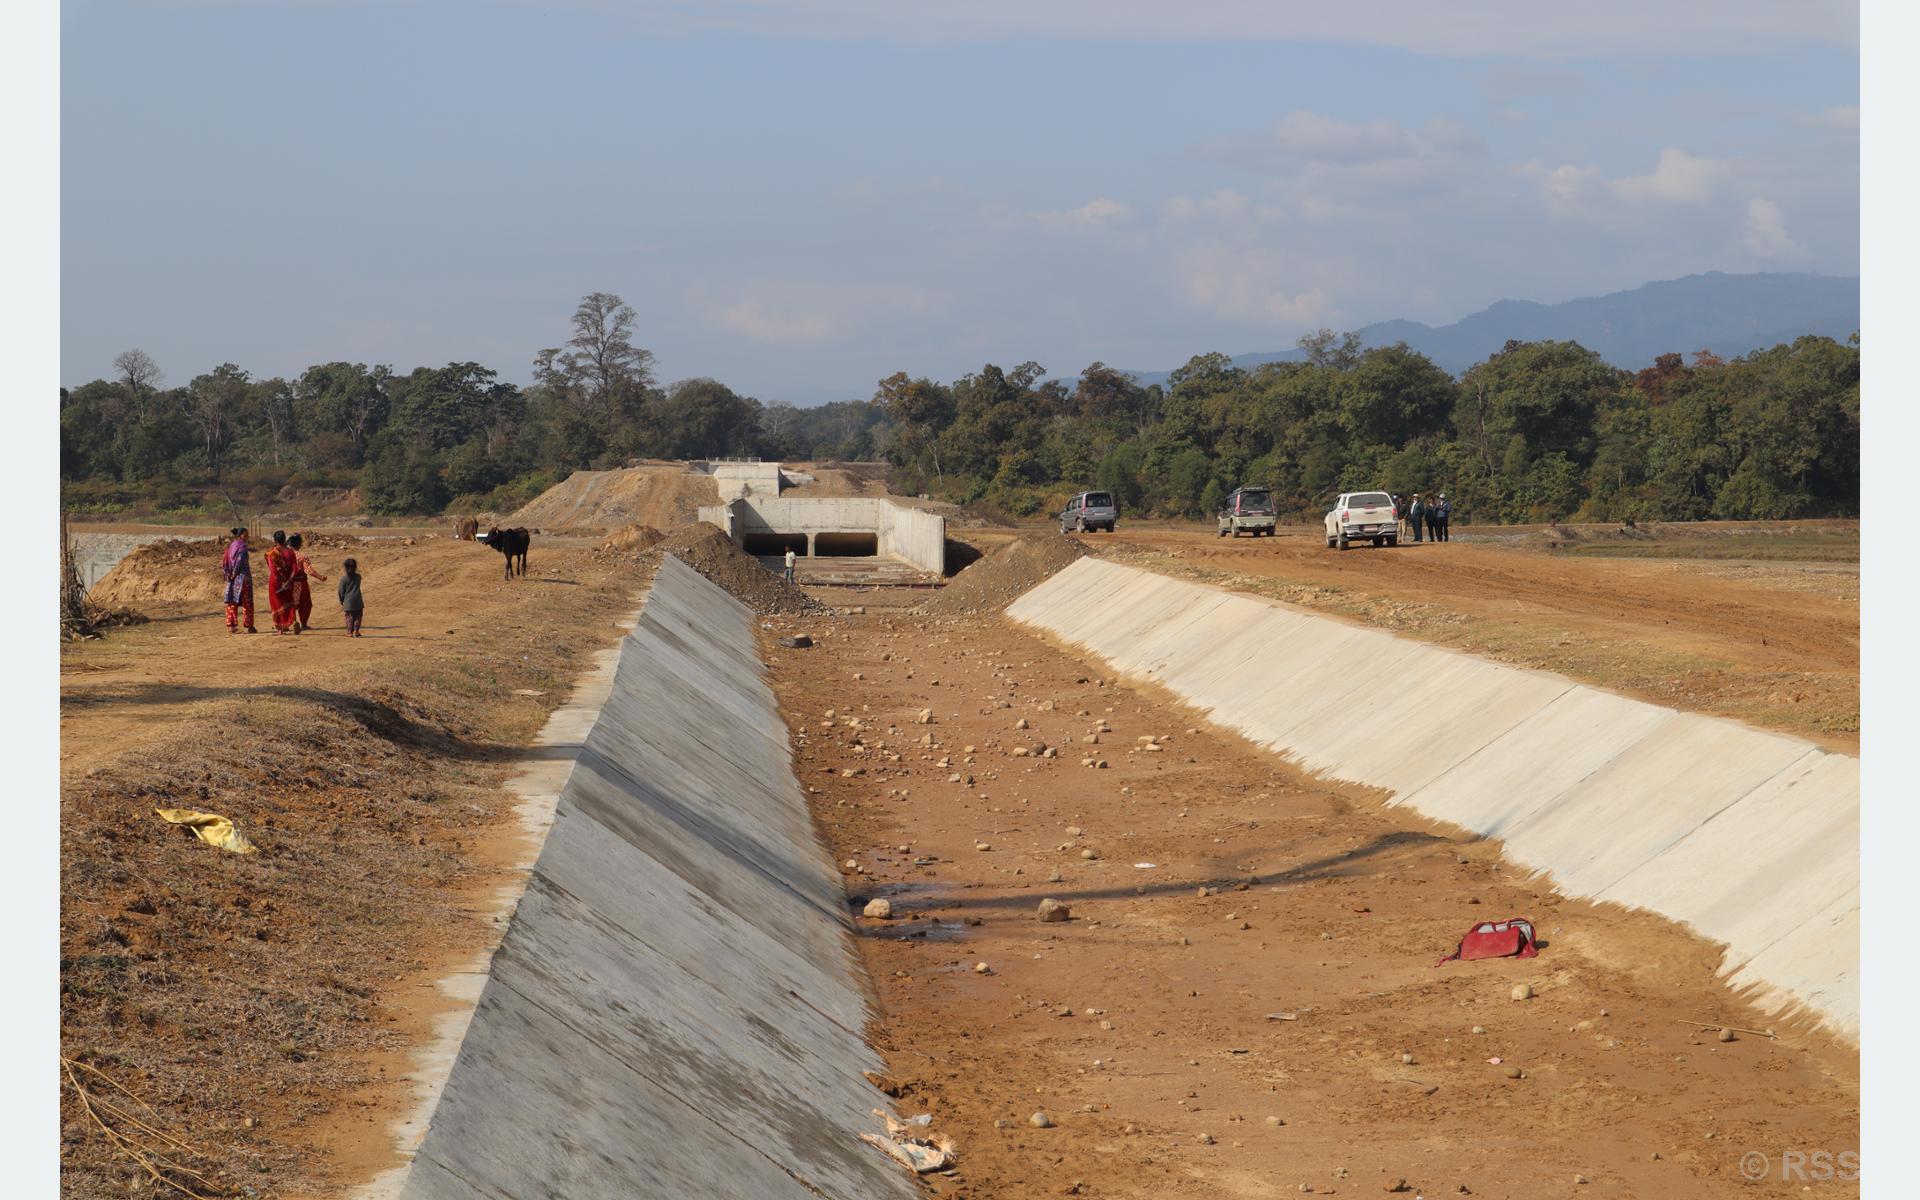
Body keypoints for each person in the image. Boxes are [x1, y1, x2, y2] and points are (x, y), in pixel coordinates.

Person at [287, 534, 327, 631]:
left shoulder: (285, 555)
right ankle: (303, 624)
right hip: (301, 583)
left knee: (289, 603)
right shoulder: (302, 556)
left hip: (287, 583)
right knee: (305, 604)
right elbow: (309, 570)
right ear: (299, 544)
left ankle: (286, 623)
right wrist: (320, 577)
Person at [263, 530, 299, 634]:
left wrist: (281, 582)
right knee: (287, 602)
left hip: (276, 583)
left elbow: (273, 571)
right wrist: (288, 581)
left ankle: (280, 628)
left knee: (277, 604)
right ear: (284, 539)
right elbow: (294, 569)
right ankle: (287, 625)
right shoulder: (290, 552)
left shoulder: (271, 554)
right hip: (288, 582)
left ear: (275, 540)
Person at [222, 527, 256, 633]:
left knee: (232, 602)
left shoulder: (231, 546)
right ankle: (249, 626)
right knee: (248, 602)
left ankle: (231, 626)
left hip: (233, 579)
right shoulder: (242, 547)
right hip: (243, 578)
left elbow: (225, 561)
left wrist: (229, 574)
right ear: (240, 535)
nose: (247, 537)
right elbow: (240, 561)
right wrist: (235, 573)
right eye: (245, 535)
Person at [337, 558, 365, 637]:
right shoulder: (358, 577)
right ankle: (356, 631)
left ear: (345, 568)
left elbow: (341, 591)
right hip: (358, 601)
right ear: (355, 567)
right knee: (358, 617)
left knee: (349, 617)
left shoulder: (343, 579)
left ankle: (349, 632)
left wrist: (341, 600)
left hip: (348, 602)